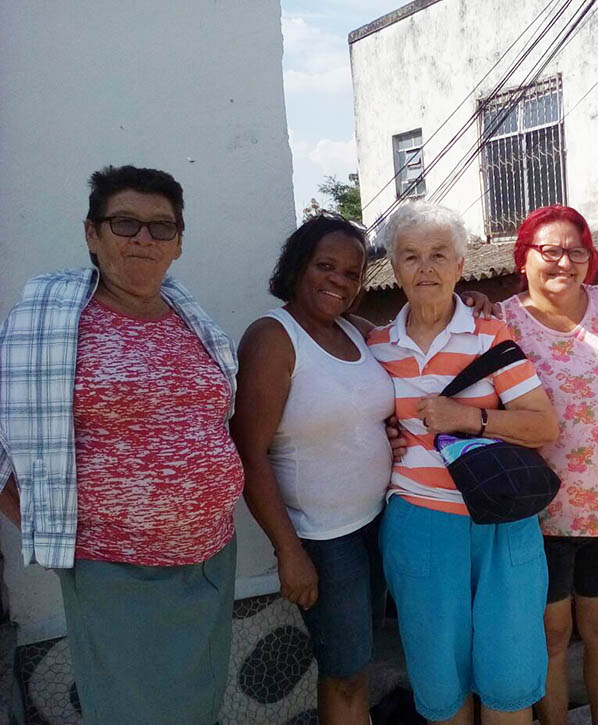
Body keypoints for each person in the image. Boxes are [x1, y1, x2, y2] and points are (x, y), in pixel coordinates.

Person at [0, 165, 243, 724]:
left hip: (209, 559)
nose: (143, 239)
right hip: (114, 569)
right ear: (93, 233)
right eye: (125, 222)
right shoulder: (50, 323)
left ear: (179, 243)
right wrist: (55, 536)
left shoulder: (192, 321)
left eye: (162, 227)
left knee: (195, 709)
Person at [366, 200, 559, 725]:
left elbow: (543, 426)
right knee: (441, 683)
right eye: (410, 256)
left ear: (459, 265)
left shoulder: (492, 335)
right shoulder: (376, 347)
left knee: (508, 683)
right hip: (420, 524)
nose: (425, 267)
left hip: (502, 526)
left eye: (438, 255)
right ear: (394, 266)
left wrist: (466, 418)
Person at [229, 214, 396, 725]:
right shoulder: (273, 337)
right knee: (343, 672)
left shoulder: (356, 331)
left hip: (377, 523)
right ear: (299, 266)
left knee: (361, 664)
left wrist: (470, 304)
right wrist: (289, 551)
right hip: (323, 539)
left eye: (351, 274)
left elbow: (417, 339)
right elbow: (248, 453)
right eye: (326, 266)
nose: (339, 282)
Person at [497, 205, 598, 725]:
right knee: (551, 640)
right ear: (524, 258)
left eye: (575, 251)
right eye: (549, 251)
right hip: (541, 515)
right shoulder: (501, 320)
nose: (563, 262)